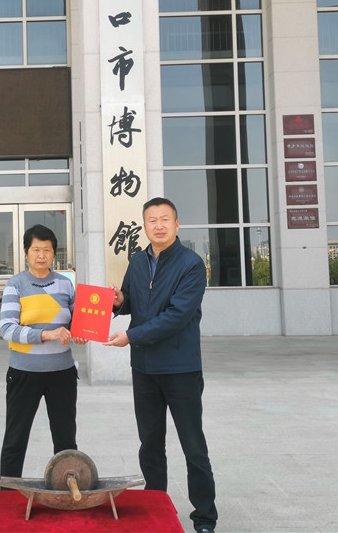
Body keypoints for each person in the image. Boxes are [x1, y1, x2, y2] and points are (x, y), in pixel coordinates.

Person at [104, 197, 218, 533]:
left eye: (165, 219)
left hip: (180, 369)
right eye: (152, 220)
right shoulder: (138, 261)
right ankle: (157, 511)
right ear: (144, 226)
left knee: (193, 447)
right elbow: (131, 300)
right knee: (150, 446)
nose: (158, 225)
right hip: (144, 369)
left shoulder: (191, 264)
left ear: (176, 224)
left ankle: (205, 517)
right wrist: (119, 301)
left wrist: (131, 336)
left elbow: (177, 316)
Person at [0, 224, 87, 480]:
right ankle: (8, 494)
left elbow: (76, 323)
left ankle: (67, 488)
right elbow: (7, 329)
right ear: (26, 252)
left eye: (47, 250)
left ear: (53, 253)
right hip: (24, 373)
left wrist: (81, 334)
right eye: (36, 249)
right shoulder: (16, 284)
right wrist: (47, 334)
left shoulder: (65, 284)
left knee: (66, 439)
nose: (41, 255)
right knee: (16, 438)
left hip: (62, 373)